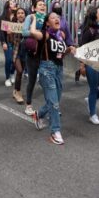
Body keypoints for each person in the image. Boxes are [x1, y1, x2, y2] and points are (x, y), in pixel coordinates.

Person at [31, 12, 75, 145]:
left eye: (58, 17)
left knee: (56, 99)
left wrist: (69, 49)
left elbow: (60, 55)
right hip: (46, 70)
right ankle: (55, 132)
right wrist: (33, 19)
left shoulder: (61, 35)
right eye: (53, 18)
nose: (57, 19)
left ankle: (38, 114)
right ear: (47, 23)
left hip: (58, 70)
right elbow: (33, 33)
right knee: (54, 103)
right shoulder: (45, 34)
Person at [22, 0, 47, 115]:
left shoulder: (47, 18)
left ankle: (50, 106)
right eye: (40, 5)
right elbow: (24, 32)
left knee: (47, 81)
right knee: (32, 80)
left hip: (45, 54)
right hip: (32, 53)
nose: (42, 6)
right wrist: (38, 33)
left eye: (44, 4)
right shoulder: (31, 17)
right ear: (35, 7)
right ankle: (28, 105)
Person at [0, 0, 17, 87]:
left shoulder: (17, 16)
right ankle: (7, 78)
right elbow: (1, 31)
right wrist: (3, 42)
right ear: (8, 6)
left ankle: (12, 73)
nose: (14, 4)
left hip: (16, 42)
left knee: (15, 60)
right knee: (8, 60)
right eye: (12, 3)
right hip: (7, 41)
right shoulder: (3, 17)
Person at [11, 7, 27, 104]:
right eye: (19, 13)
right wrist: (10, 34)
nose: (20, 14)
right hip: (16, 51)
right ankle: (18, 92)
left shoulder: (29, 25)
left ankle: (15, 90)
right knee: (20, 71)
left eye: (22, 13)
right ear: (16, 15)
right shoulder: (13, 25)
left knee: (20, 73)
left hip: (25, 52)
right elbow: (10, 41)